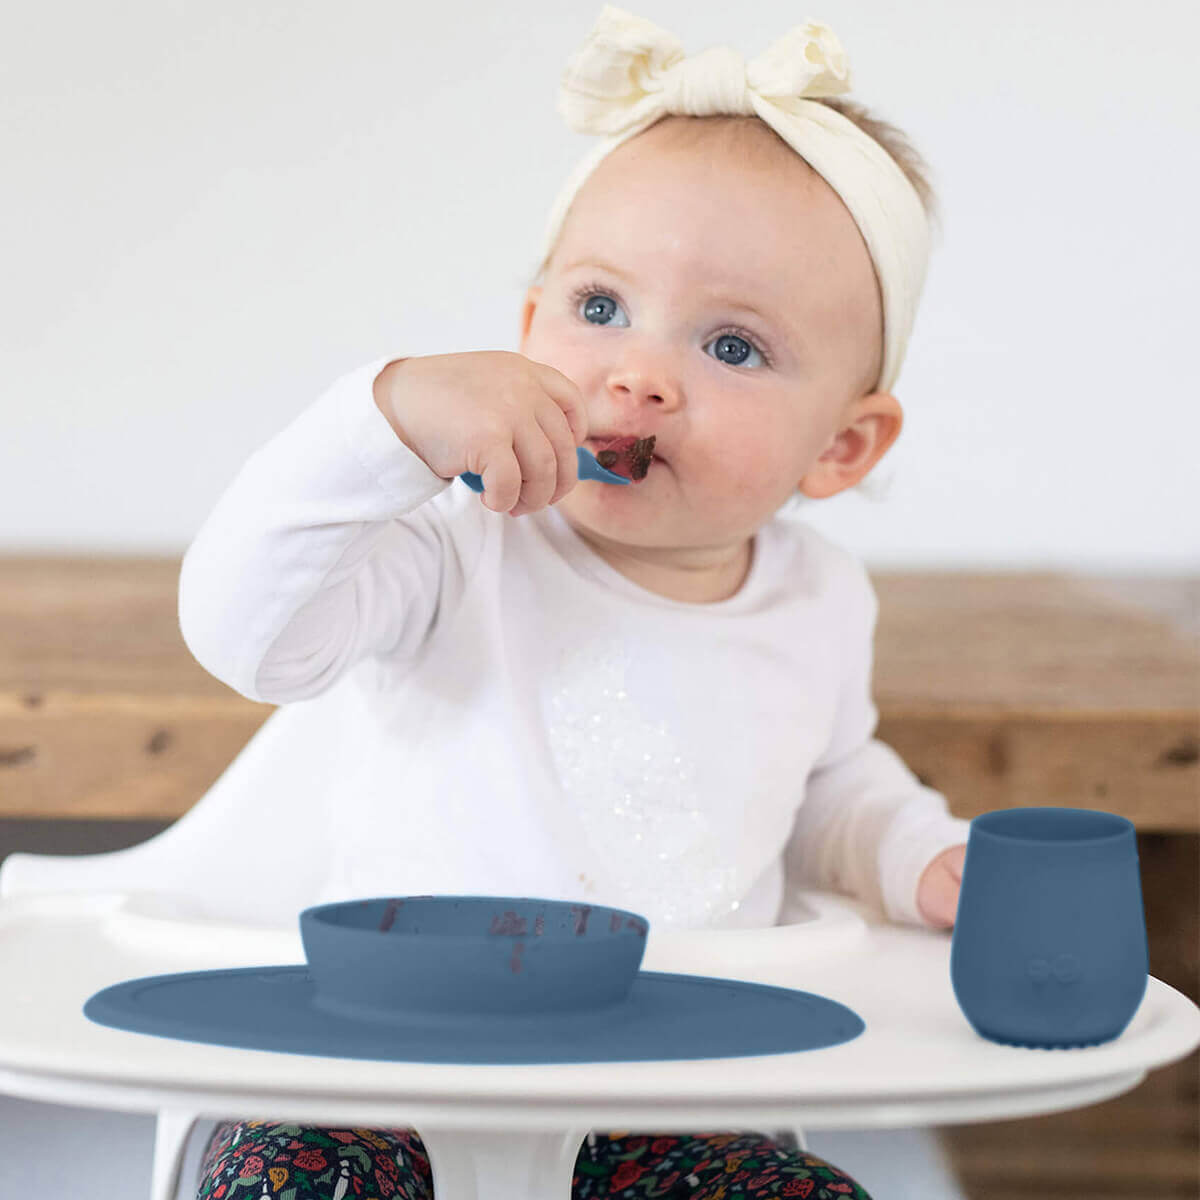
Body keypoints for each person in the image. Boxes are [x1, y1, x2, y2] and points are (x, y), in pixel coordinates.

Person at [185, 7, 971, 1198]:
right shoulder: (457, 545)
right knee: (297, 1175)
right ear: (524, 334)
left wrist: (919, 853)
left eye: (733, 347)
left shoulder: (819, 599)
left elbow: (828, 789)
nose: (638, 374)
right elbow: (246, 634)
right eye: (600, 309)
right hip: (385, 1074)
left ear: (841, 447)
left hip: (669, 1099)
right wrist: (385, 423)